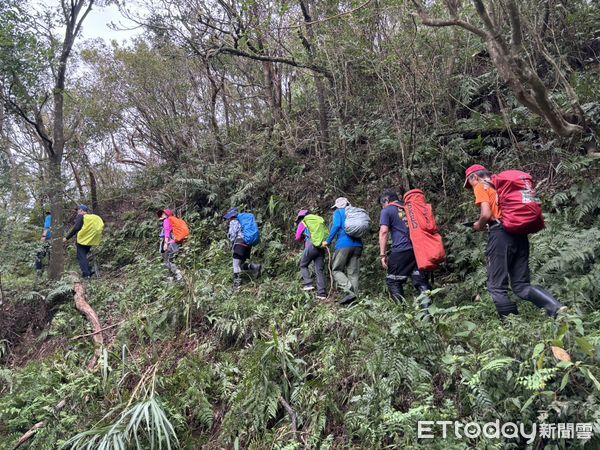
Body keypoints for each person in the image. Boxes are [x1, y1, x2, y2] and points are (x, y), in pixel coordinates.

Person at [464, 164, 567, 319]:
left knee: (496, 287)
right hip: (519, 235)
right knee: (521, 285)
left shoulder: (481, 185)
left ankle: (512, 325)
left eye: (469, 183)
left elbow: (485, 213)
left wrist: (478, 225)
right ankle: (557, 308)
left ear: (474, 177)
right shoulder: (500, 185)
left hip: (500, 236)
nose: (471, 187)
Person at [378, 192, 432, 309]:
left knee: (393, 280)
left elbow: (384, 232)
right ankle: (427, 314)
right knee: (421, 281)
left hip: (401, 249)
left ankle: (402, 313)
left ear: (386, 201)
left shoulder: (387, 210)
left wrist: (383, 255)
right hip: (419, 248)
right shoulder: (410, 208)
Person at [323, 197, 362, 304]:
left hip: (344, 245)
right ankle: (355, 300)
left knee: (336, 269)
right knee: (353, 273)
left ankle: (350, 291)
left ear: (338, 206)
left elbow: (336, 225)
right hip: (358, 245)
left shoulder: (339, 212)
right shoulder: (355, 212)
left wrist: (328, 241)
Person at [224, 207, 262, 291]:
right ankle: (254, 267)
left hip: (239, 244)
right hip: (247, 245)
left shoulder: (234, 221)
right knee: (240, 265)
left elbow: (233, 234)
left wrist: (230, 241)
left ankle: (236, 286)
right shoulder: (242, 221)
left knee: (235, 265)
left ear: (230, 216)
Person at [295, 209, 327, 300]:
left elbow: (297, 237)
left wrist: (303, 238)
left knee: (303, 265)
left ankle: (308, 284)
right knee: (319, 270)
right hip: (321, 247)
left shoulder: (303, 222)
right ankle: (322, 293)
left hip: (310, 246)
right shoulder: (318, 220)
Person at [64, 205, 103, 279]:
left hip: (82, 241)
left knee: (81, 257)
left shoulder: (81, 216)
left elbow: (76, 228)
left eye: (78, 210)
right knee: (84, 256)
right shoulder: (92, 218)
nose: (77, 212)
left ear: (81, 210)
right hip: (90, 240)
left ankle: (86, 274)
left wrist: (67, 238)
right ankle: (89, 271)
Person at [157, 209, 184, 282]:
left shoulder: (167, 221)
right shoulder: (173, 221)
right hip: (174, 242)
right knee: (171, 259)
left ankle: (178, 275)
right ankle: (173, 277)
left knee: (168, 260)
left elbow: (167, 234)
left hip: (168, 243)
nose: (161, 215)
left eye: (163, 214)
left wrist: (165, 244)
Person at [35, 210, 52, 279]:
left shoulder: (49, 217)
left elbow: (46, 228)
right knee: (51, 257)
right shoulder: (59, 220)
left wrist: (43, 238)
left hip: (47, 240)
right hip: (55, 241)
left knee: (39, 255)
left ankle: (39, 273)